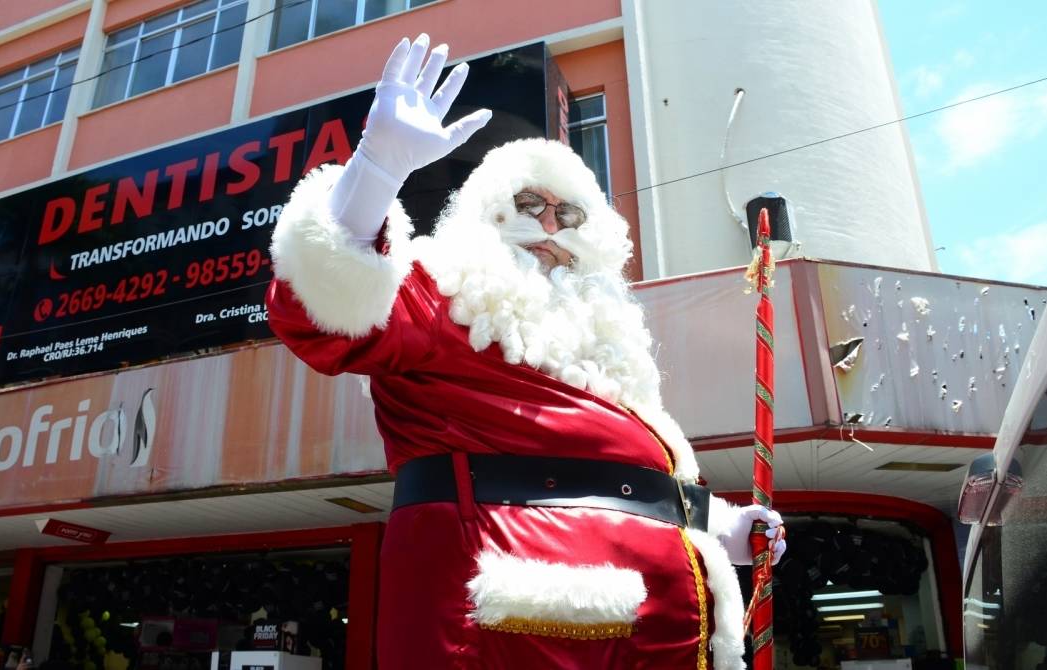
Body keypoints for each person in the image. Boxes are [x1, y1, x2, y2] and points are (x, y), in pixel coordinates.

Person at [266, 34, 786, 670]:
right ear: (483, 215)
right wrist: (374, 171)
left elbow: (614, 476)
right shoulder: (445, 293)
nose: (547, 227)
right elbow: (322, 313)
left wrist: (710, 526)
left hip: (651, 632)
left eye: (566, 214)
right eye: (528, 205)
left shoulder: (608, 345)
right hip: (525, 627)